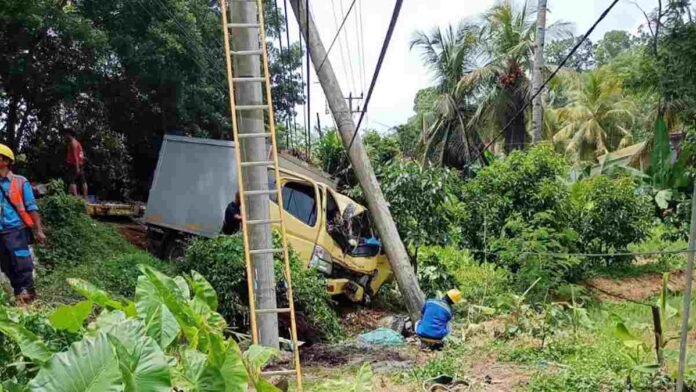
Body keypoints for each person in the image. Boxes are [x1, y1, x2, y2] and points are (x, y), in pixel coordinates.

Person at [0, 144, 46, 306]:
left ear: (5, 161)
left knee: (22, 264)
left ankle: (28, 297)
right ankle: (19, 294)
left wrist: (39, 230)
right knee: (6, 265)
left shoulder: (20, 182)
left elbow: (31, 207)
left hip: (16, 230)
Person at [63, 128, 88, 198]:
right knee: (83, 180)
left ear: (69, 134)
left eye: (66, 134)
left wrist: (77, 167)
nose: (65, 136)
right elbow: (81, 155)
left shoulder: (72, 143)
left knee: (72, 181)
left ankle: (76, 198)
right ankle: (85, 198)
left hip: (74, 165)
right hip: (80, 164)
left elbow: (75, 156)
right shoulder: (77, 143)